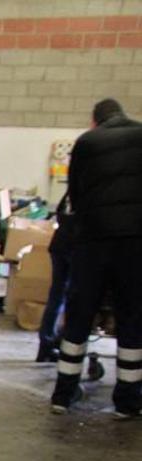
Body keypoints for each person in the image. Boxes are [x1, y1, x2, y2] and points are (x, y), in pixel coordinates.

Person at [51, 98, 142, 418]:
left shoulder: (87, 142)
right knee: (132, 317)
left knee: (79, 316)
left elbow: (74, 194)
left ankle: (63, 395)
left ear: (95, 120)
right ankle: (128, 402)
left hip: (93, 241)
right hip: (134, 243)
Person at [35, 191, 73, 363]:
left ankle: (46, 344)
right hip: (78, 247)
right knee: (74, 298)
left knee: (57, 295)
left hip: (60, 244)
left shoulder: (73, 190)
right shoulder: (99, 192)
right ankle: (63, 343)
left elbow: (59, 212)